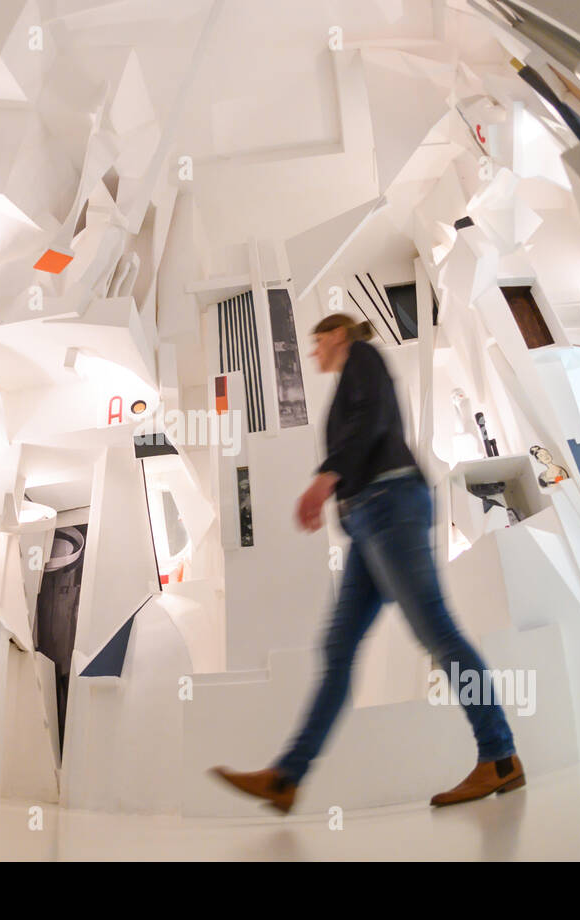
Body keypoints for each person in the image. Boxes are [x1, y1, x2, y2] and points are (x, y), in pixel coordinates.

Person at [210, 313, 525, 814]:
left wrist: (325, 476)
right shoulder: (350, 375)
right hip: (369, 522)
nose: (313, 354)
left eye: (316, 343)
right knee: (338, 648)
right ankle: (286, 778)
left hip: (390, 505)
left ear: (337, 336)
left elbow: (372, 417)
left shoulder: (363, 356)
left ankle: (499, 755)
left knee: (436, 632)